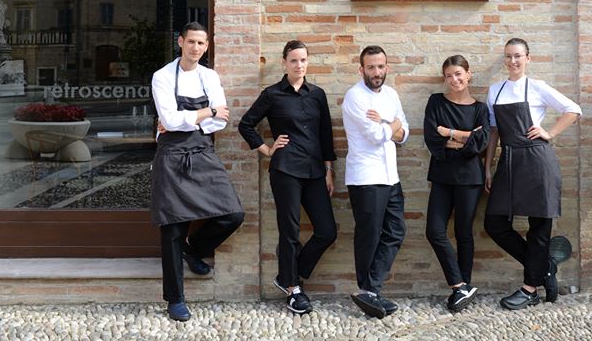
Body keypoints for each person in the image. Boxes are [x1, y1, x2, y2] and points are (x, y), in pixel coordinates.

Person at [150, 22, 245, 322]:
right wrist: (207, 112)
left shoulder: (209, 76)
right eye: (191, 41)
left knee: (232, 214)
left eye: (201, 43)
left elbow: (222, 120)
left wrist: (189, 118)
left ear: (206, 47)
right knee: (173, 228)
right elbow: (169, 120)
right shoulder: (163, 76)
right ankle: (175, 299)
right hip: (171, 155)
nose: (196, 48)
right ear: (180, 42)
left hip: (202, 152)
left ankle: (193, 250)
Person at [238, 40, 337, 315]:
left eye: (303, 60)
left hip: (315, 170)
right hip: (285, 170)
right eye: (293, 60)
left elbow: (325, 135)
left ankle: (288, 275)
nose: (299, 65)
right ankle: (293, 289)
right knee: (289, 231)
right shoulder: (272, 94)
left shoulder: (317, 94)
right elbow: (246, 124)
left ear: (308, 61)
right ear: (284, 63)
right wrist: (267, 149)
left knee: (327, 231)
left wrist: (329, 170)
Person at [483, 37, 581, 310]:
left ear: (528, 58)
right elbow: (494, 132)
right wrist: (488, 166)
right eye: (508, 56)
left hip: (537, 161)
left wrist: (549, 132)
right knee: (494, 223)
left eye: (518, 56)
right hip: (509, 160)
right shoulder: (495, 91)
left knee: (539, 227)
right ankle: (544, 267)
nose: (513, 61)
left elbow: (573, 110)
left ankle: (529, 289)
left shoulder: (537, 86)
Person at [342, 45, 410, 319]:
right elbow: (375, 136)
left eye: (380, 66)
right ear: (361, 69)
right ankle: (367, 290)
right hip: (366, 177)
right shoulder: (355, 96)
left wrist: (388, 124)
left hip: (391, 176)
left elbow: (404, 133)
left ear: (387, 67)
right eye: (371, 67)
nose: (376, 72)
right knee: (369, 235)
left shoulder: (391, 94)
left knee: (396, 230)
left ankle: (370, 290)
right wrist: (390, 125)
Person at [423, 55, 489, 313]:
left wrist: (450, 133)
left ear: (468, 74)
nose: (454, 79)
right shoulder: (436, 102)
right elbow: (432, 138)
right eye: (449, 75)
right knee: (434, 231)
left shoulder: (480, 109)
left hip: (470, 179)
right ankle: (459, 285)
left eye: (458, 74)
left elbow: (480, 144)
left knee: (464, 233)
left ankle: (463, 289)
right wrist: (467, 137)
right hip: (442, 175)